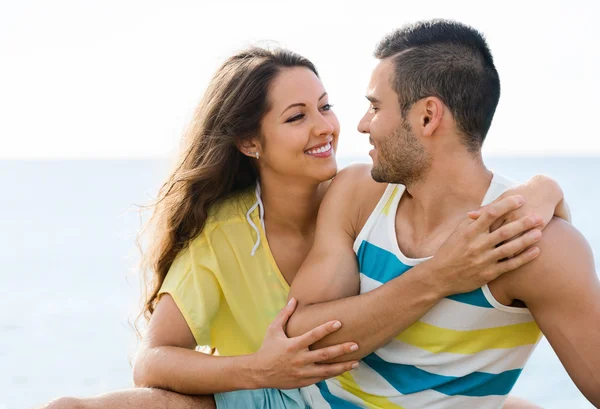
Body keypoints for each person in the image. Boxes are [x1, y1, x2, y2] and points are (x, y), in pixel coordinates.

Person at [41, 46, 567, 409]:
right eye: (297, 117)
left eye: (326, 106)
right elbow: (153, 360)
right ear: (250, 142)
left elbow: (461, 181)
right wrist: (260, 370)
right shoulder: (224, 236)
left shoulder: (371, 198)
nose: (327, 127)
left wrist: (545, 188)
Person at [286, 20, 600, 408]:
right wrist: (440, 276)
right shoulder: (358, 193)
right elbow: (296, 341)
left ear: (427, 116)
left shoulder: (530, 244)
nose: (362, 124)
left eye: (375, 106)